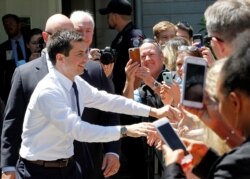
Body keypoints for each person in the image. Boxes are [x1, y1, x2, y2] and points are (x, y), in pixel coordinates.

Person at [16, 29, 177, 179]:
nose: (86, 59)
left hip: (67, 167)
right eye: (79, 53)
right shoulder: (49, 91)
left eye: (85, 52)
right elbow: (79, 130)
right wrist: (126, 130)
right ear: (60, 58)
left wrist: (155, 112)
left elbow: (108, 100)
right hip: (38, 172)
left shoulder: (75, 81)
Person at [161, 30, 250, 179]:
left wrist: (172, 166)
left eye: (215, 99)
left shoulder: (235, 165)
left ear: (235, 102)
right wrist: (208, 161)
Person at [0, 14, 74, 179]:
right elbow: (12, 122)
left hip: (74, 167)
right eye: (61, 35)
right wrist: (8, 166)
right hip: (35, 169)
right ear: (46, 37)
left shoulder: (83, 70)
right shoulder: (24, 74)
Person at [70, 10, 120, 179]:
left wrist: (112, 151)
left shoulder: (96, 67)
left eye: (88, 30)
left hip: (90, 154)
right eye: (78, 31)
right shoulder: (57, 62)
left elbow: (110, 112)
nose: (84, 35)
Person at [99, 0, 145, 95]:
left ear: (114, 17)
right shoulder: (122, 36)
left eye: (108, 16)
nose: (107, 19)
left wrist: (131, 94)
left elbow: (138, 68)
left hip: (129, 95)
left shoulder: (133, 35)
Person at [0, 14, 29, 103]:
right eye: (6, 25)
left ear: (19, 25)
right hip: (12, 91)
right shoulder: (2, 48)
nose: (8, 26)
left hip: (30, 84)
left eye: (11, 23)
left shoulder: (30, 42)